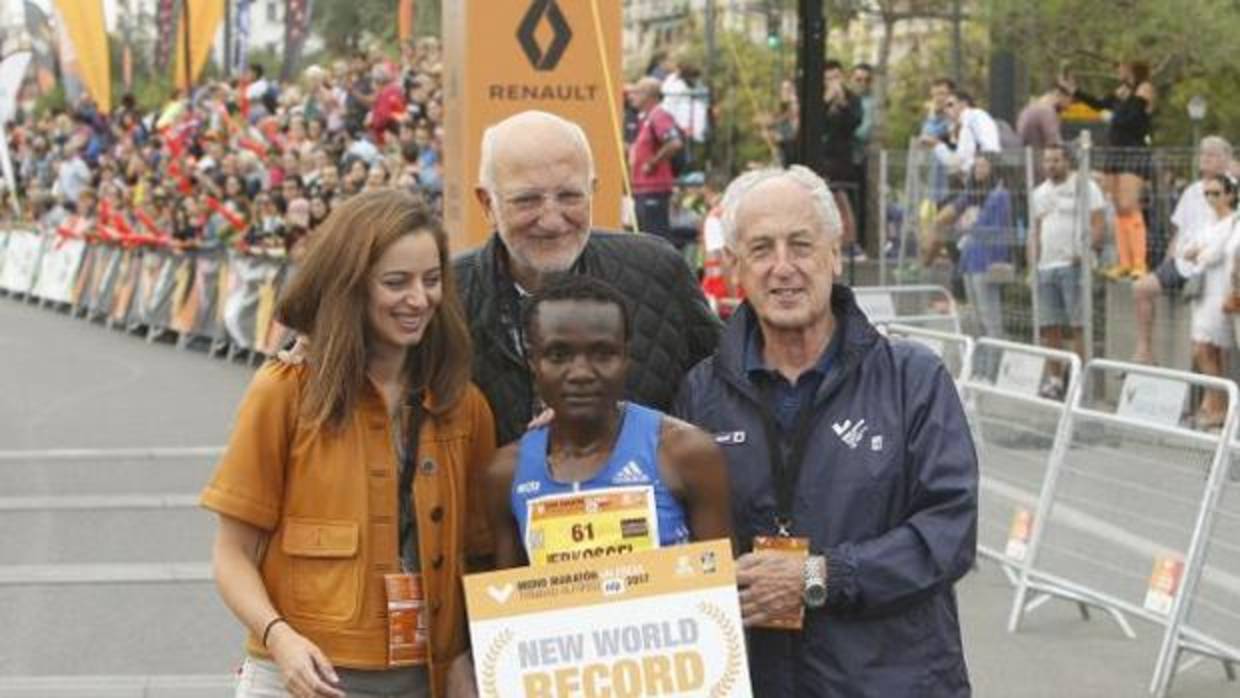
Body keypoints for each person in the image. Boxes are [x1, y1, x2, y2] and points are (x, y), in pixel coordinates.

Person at [673, 166, 977, 697]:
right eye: (762, 249)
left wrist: (820, 577)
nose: (783, 267)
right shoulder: (700, 394)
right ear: (735, 266)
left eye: (802, 245)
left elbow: (948, 533)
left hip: (892, 680)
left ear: (835, 255)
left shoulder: (913, 379)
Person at [201, 189, 495, 698]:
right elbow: (231, 556)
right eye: (396, 282)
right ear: (351, 286)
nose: (419, 300)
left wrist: (467, 655)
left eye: (431, 281)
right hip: (302, 679)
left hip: (428, 680)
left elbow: (482, 555)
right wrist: (281, 639)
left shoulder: (463, 404)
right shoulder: (284, 391)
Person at [457, 110, 720, 448]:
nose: (552, 220)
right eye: (527, 200)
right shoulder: (446, 296)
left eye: (569, 196)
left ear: (593, 190)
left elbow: (725, 391)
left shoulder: (657, 272)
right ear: (487, 203)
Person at [485, 275, 732, 569]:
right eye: (558, 354)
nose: (580, 373)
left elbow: (723, 589)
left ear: (627, 357)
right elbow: (507, 604)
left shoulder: (687, 453)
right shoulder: (506, 473)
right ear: (533, 362)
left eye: (602, 354)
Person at [1131, 136, 1232, 364]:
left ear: (1226, 160)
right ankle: (1144, 351)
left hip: (1213, 268)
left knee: (1213, 336)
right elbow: (1179, 232)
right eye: (1203, 153)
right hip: (1182, 263)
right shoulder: (1191, 191)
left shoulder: (1231, 191)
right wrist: (1167, 263)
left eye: (1213, 154)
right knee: (1141, 288)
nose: (1205, 157)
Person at [1062, 61, 1156, 279]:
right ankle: (1124, 261)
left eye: (1122, 66)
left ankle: (1139, 261)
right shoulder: (1122, 92)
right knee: (1117, 207)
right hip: (1114, 150)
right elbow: (1100, 104)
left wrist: (1122, 102)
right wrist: (1076, 92)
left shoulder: (1143, 89)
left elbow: (1131, 118)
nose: (1118, 71)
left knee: (1129, 205)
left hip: (1133, 150)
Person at [1028, 145, 1107, 398]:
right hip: (1046, 267)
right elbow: (1036, 231)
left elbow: (1098, 223)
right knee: (1050, 326)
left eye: (1056, 160)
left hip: (1073, 267)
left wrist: (1084, 254)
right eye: (1047, 160)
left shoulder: (1086, 187)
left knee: (1078, 325)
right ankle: (1055, 379)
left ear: (1067, 162)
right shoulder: (1039, 193)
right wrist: (1033, 264)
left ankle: (1078, 379)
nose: (1051, 165)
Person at [1179, 173, 1239, 428]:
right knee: (1200, 348)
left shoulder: (1233, 222)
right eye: (1207, 193)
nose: (1211, 198)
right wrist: (1198, 253)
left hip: (1219, 291)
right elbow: (1187, 249)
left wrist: (1198, 253)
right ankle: (1215, 404)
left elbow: (1211, 255)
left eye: (1216, 193)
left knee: (1209, 349)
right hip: (1203, 293)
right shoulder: (1208, 222)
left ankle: (1219, 406)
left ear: (1230, 194)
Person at [934, 153, 1014, 343]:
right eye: (976, 166)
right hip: (969, 261)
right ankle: (981, 365)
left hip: (986, 261)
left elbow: (998, 229)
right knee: (976, 318)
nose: (978, 170)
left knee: (990, 317)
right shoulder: (972, 195)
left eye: (983, 166)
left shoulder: (999, 195)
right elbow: (951, 213)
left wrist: (972, 228)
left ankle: (993, 365)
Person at [627, 77, 685, 241]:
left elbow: (674, 143)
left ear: (648, 95)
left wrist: (652, 163)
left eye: (636, 92)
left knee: (654, 239)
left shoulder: (659, 116)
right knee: (644, 238)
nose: (632, 96)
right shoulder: (645, 118)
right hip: (642, 190)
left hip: (653, 189)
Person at [821, 60, 863, 258]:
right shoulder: (818, 98)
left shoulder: (851, 98)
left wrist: (843, 104)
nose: (833, 82)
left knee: (841, 197)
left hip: (842, 158)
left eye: (836, 77)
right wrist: (826, 101)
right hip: (822, 155)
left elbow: (855, 122)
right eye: (828, 78)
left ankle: (850, 241)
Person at [924, 91, 1001, 176]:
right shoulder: (961, 125)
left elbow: (990, 146)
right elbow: (957, 161)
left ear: (964, 104)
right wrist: (937, 145)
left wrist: (986, 160)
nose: (946, 110)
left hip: (984, 175)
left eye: (950, 105)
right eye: (945, 107)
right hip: (974, 176)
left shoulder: (975, 115)